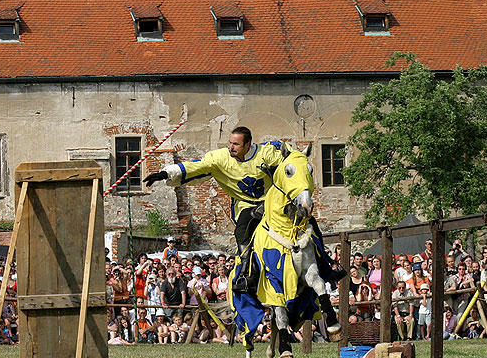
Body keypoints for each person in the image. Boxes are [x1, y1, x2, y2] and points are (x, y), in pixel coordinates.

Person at [143, 126, 345, 299]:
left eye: (236, 144)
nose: (231, 147)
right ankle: (246, 275)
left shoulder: (267, 153)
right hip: (246, 205)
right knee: (241, 233)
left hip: (272, 200)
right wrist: (164, 173)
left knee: (308, 222)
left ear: (248, 144)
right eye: (230, 143)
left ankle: (328, 266)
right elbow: (196, 166)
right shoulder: (220, 158)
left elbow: (292, 158)